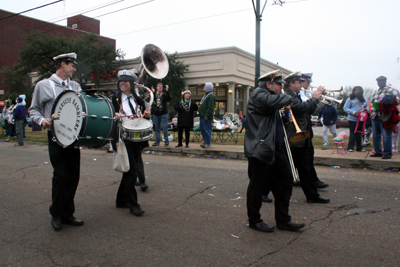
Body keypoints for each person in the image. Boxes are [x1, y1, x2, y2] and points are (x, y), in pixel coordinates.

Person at [29, 52, 84, 231]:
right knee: (61, 176)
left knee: (74, 176)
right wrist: (41, 121)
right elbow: (34, 110)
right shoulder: (43, 85)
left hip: (73, 139)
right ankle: (56, 213)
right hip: (55, 136)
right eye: (72, 65)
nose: (74, 68)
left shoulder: (75, 86)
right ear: (62, 64)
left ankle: (68, 213)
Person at [245, 69, 305, 233]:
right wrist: (287, 96)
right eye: (279, 84)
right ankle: (254, 220)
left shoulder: (272, 98)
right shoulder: (259, 94)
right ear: (269, 84)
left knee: (285, 183)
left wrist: (285, 119)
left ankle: (283, 220)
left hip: (275, 149)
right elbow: (276, 101)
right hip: (261, 148)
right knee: (257, 186)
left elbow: (275, 120)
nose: (281, 87)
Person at [284, 72, 330, 204]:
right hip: (294, 137)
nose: (301, 85)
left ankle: (312, 195)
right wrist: (314, 98)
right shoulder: (288, 95)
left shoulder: (296, 95)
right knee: (284, 169)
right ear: (291, 83)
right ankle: (264, 192)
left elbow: (307, 111)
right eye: (299, 83)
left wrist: (318, 100)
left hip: (301, 137)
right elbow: (299, 109)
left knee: (304, 168)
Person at [112, 69, 150, 215]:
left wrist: (147, 114)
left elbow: (145, 116)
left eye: (126, 80)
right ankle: (133, 204)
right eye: (121, 80)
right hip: (123, 138)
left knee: (129, 170)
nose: (122, 83)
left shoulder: (138, 99)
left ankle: (120, 200)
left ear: (132, 84)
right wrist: (114, 114)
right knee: (132, 171)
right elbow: (108, 115)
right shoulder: (114, 99)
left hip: (136, 138)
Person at [300, 73, 329, 189]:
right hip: (299, 129)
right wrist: (315, 97)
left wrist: (319, 99)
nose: (309, 84)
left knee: (307, 157)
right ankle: (311, 182)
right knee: (305, 158)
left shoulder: (304, 93)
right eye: (307, 82)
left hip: (305, 128)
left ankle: (311, 181)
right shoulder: (299, 93)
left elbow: (311, 109)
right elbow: (305, 107)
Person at [370, 76, 400, 159]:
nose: (379, 83)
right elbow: (372, 103)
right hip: (375, 116)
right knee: (376, 135)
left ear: (385, 81)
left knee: (387, 136)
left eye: (381, 81)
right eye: (378, 81)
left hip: (385, 117)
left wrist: (387, 101)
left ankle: (387, 153)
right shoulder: (376, 91)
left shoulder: (391, 90)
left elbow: (397, 100)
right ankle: (378, 152)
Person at [343, 86, 369, 152]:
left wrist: (366, 109)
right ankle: (350, 147)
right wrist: (353, 112)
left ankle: (359, 148)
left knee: (359, 133)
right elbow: (345, 108)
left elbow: (367, 106)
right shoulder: (350, 99)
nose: (356, 91)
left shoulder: (364, 99)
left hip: (361, 119)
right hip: (352, 119)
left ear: (361, 91)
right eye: (355, 90)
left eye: (357, 90)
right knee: (352, 133)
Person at [152, 83, 171, 147]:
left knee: (165, 127)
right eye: (159, 86)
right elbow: (150, 99)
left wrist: (167, 90)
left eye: (161, 87)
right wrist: (152, 92)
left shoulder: (164, 94)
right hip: (156, 113)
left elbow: (169, 98)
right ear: (156, 87)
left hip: (163, 113)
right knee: (157, 128)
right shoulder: (154, 94)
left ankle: (166, 141)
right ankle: (157, 141)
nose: (160, 87)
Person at [199, 82, 216, 148]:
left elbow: (211, 107)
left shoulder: (211, 96)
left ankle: (208, 142)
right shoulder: (205, 95)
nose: (203, 87)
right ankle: (205, 141)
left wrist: (207, 115)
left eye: (204, 86)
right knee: (202, 129)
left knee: (207, 129)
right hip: (202, 116)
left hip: (206, 116)